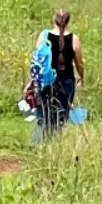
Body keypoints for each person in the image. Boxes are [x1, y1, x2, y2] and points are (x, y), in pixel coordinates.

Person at [29, 10, 84, 142]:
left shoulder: (44, 36)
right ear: (68, 22)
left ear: (54, 20)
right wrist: (82, 78)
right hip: (66, 83)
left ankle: (37, 143)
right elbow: (79, 63)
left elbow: (37, 61)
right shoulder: (74, 39)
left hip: (46, 81)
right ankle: (54, 145)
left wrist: (31, 81)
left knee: (43, 115)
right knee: (60, 116)